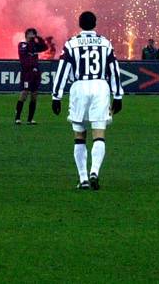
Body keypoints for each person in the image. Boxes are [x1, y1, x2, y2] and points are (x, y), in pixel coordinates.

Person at [50, 11, 122, 190]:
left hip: (79, 87)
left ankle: (83, 178)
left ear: (79, 24)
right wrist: (118, 95)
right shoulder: (105, 43)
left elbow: (62, 71)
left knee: (79, 135)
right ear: (95, 23)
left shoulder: (71, 43)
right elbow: (114, 70)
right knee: (99, 134)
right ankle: (94, 172)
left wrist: (56, 96)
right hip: (100, 87)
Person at [15, 28, 48, 124]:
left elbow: (45, 47)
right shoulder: (23, 45)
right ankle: (17, 118)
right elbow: (24, 58)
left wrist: (38, 38)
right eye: (30, 33)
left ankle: (30, 119)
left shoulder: (35, 46)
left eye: (33, 34)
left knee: (34, 95)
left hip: (36, 73)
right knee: (24, 94)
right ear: (26, 35)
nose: (32, 35)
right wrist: (31, 66)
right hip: (27, 73)